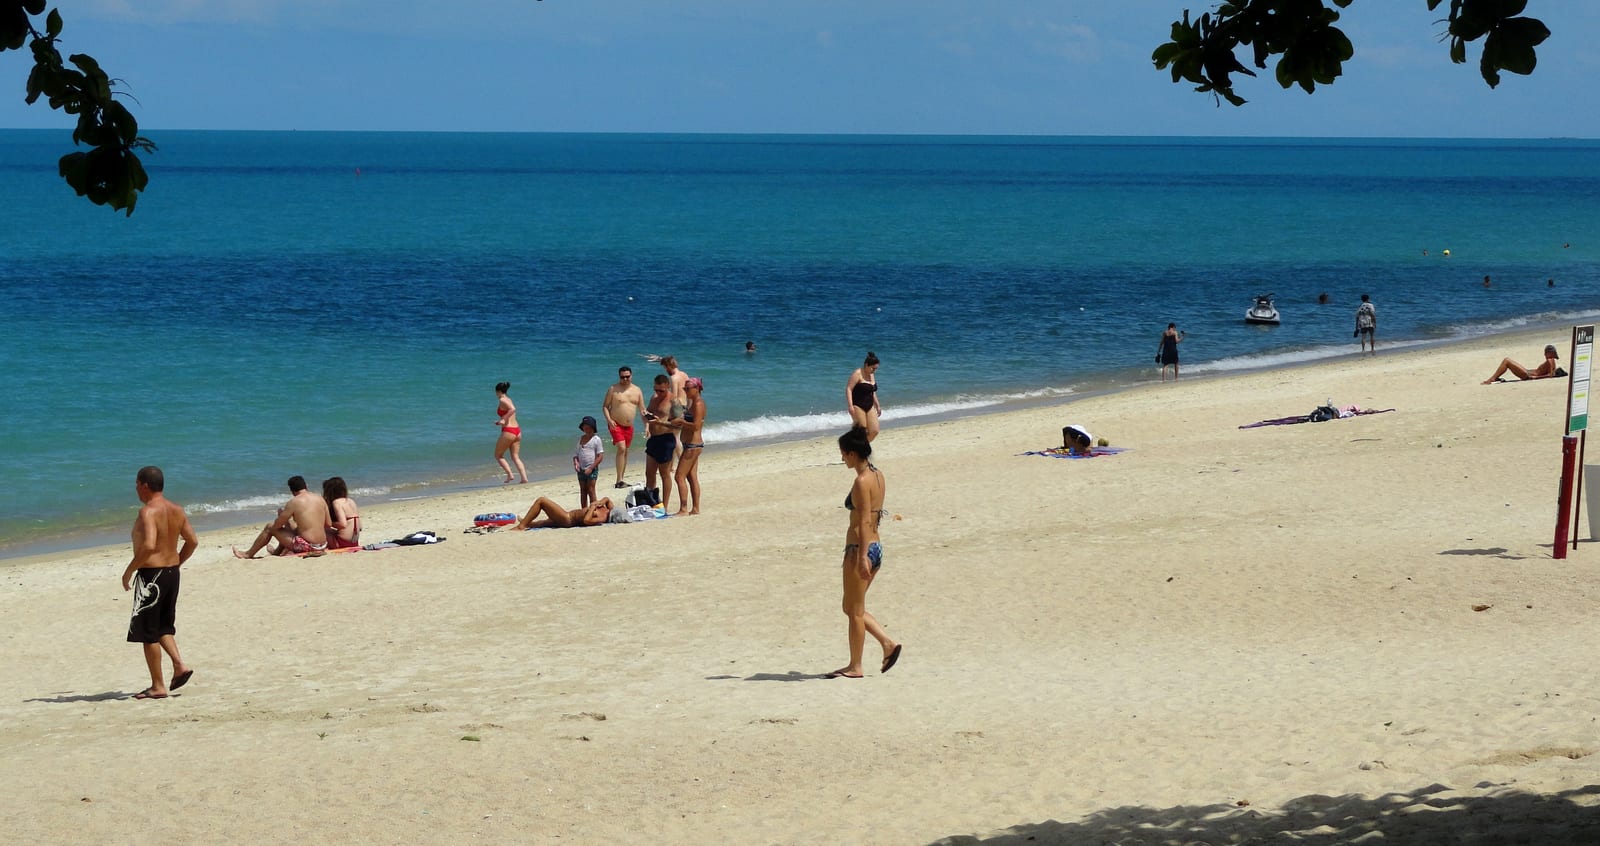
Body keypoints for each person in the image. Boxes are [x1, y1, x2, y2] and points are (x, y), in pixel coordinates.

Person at [827, 426, 900, 679]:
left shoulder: (861, 482)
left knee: (855, 611)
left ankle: (856, 666)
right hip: (875, 547)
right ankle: (887, 644)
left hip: (861, 548)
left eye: (843, 453)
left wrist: (861, 558)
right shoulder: (878, 475)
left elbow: (865, 521)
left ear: (852, 453)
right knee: (850, 607)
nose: (842, 458)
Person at [123, 466, 198, 700]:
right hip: (171, 573)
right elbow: (192, 541)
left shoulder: (148, 511)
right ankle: (179, 665)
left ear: (145, 485)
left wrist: (129, 571)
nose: (135, 488)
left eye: (137, 484)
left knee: (148, 633)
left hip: (151, 576)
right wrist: (176, 563)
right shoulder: (177, 509)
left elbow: (149, 545)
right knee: (163, 626)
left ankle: (158, 686)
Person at [232, 476, 331, 558]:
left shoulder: (294, 502)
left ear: (292, 491)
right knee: (291, 526)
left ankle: (248, 554)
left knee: (269, 527)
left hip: (309, 547)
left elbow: (276, 526)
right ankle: (276, 552)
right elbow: (328, 524)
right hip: (323, 545)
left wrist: (281, 516)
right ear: (306, 486)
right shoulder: (320, 498)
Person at [602, 366, 643, 489]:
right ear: (619, 377)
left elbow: (642, 409)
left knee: (625, 451)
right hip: (615, 424)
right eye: (622, 377)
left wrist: (648, 425)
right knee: (621, 448)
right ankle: (618, 480)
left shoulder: (637, 390)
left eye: (627, 377)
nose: (625, 379)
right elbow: (605, 406)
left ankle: (622, 479)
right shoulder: (613, 389)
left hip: (629, 426)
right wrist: (609, 420)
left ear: (631, 376)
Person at [672, 377, 707, 516]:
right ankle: (695, 509)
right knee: (691, 478)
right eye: (684, 389)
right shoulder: (692, 403)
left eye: (688, 389)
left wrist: (681, 421)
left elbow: (696, 426)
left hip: (693, 445)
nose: (685, 391)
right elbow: (688, 424)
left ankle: (683, 509)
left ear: (697, 389)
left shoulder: (698, 404)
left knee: (679, 476)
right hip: (690, 444)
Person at [642, 374, 677, 511]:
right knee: (649, 473)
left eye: (661, 390)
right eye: (656, 390)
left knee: (664, 474)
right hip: (653, 439)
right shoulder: (654, 398)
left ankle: (665, 506)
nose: (658, 393)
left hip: (666, 439)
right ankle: (652, 503)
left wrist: (660, 422)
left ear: (668, 386)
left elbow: (678, 424)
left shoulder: (674, 401)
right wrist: (647, 418)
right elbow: (649, 413)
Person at [494, 381, 529, 485]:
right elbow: (510, 412)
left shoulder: (502, 400)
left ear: (498, 391)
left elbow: (513, 409)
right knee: (515, 456)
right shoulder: (509, 399)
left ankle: (510, 474)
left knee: (498, 455)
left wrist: (503, 419)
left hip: (509, 431)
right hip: (517, 430)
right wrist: (500, 421)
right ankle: (524, 478)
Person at [513, 496, 613, 530]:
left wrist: (592, 507)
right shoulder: (607, 510)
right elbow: (607, 499)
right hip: (568, 516)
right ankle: (527, 523)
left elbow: (587, 520)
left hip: (567, 519)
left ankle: (521, 526)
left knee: (541, 501)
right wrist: (602, 501)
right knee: (543, 523)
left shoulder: (603, 518)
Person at [845, 352, 883, 442]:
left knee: (874, 431)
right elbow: (849, 389)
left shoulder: (871, 374)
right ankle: (856, 447)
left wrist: (877, 405)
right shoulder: (857, 373)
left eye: (876, 369)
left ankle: (858, 446)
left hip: (870, 406)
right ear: (866, 365)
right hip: (858, 405)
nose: (874, 371)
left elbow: (872, 391)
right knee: (862, 432)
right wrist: (850, 406)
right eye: (873, 368)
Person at [1483, 344, 1564, 384]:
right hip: (1528, 372)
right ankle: (1495, 378)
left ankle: (1493, 379)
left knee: (1506, 361)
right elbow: (1551, 373)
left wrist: (1535, 377)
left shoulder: (1550, 360)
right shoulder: (1552, 361)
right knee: (1507, 361)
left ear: (1549, 353)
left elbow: (1550, 375)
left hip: (1527, 375)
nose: (1544, 354)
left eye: (1545, 353)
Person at [574, 415, 605, 508]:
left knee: (591, 490)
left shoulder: (596, 440)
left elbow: (600, 456)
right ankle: (584, 510)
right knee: (583, 490)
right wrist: (576, 463)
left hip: (592, 468)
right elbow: (576, 455)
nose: (587, 429)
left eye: (589, 427)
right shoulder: (580, 439)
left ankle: (593, 509)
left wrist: (591, 468)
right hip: (581, 469)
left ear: (593, 428)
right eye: (585, 427)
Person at [323, 476, 361, 551]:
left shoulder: (336, 502)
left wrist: (329, 523)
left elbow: (343, 524)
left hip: (342, 543)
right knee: (330, 531)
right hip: (354, 542)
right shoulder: (351, 501)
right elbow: (360, 527)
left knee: (323, 531)